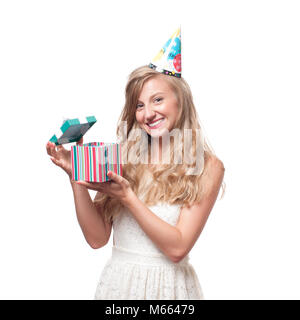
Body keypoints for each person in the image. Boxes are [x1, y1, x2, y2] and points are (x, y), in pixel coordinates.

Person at [46, 29, 225, 300]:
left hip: (168, 292)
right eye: (139, 105)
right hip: (119, 288)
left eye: (157, 100)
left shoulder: (207, 166)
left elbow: (177, 249)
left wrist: (129, 197)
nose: (148, 113)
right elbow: (97, 239)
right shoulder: (123, 157)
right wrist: (77, 178)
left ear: (181, 101)